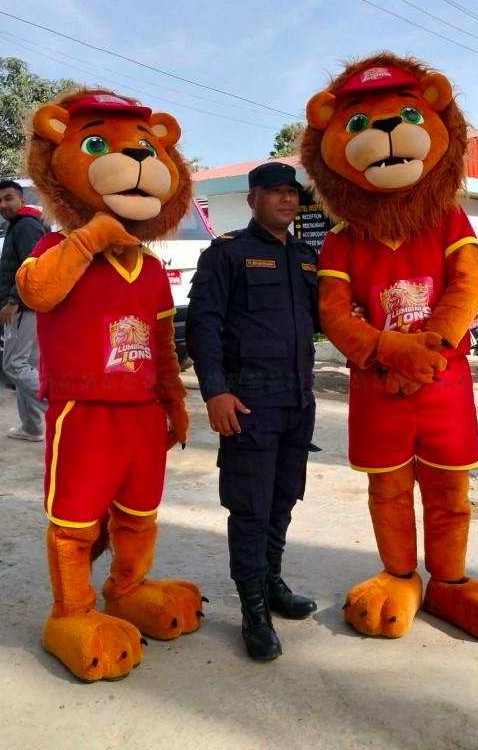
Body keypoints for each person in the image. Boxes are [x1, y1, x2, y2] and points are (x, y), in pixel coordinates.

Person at [186, 161, 319, 661]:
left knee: (283, 500)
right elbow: (203, 325)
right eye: (275, 192)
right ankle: (253, 612)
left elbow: (325, 317)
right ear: (252, 199)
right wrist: (214, 392)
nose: (287, 200)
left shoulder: (306, 257)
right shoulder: (228, 254)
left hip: (297, 401)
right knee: (250, 507)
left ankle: (273, 584)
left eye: (292, 193)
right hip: (248, 402)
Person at [0, 179, 48, 441]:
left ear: (20, 199)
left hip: (24, 308)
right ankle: (32, 427)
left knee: (14, 365)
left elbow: (32, 267)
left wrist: (13, 301)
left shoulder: (25, 226)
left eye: (8, 198)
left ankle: (57, 408)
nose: (3, 204)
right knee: (28, 365)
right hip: (33, 307)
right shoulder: (23, 224)